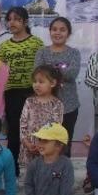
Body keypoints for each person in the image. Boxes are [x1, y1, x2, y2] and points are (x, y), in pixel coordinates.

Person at [0, 7, 44, 175]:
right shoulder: (3, 47)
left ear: (25, 21)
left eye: (16, 19)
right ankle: (13, 170)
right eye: (9, 19)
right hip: (11, 94)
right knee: (14, 133)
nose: (12, 23)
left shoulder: (36, 43)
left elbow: (42, 70)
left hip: (32, 93)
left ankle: (36, 169)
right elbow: (0, 73)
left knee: (35, 130)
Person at [24, 123, 81, 195]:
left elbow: (67, 187)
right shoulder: (34, 164)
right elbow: (28, 184)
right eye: (39, 140)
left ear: (58, 146)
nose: (40, 144)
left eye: (45, 141)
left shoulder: (66, 164)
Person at [34, 17, 81, 149]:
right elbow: (38, 75)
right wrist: (60, 69)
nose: (58, 33)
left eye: (62, 30)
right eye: (54, 29)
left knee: (64, 144)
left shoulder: (74, 53)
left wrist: (49, 70)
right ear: (49, 32)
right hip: (45, 106)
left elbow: (72, 74)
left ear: (68, 33)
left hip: (69, 106)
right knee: (45, 143)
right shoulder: (41, 52)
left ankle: (63, 169)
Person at [19, 64, 65, 173]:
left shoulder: (57, 104)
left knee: (46, 175)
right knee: (31, 176)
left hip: (48, 149)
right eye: (35, 81)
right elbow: (23, 124)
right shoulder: (29, 102)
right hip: (30, 147)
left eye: (41, 82)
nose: (36, 85)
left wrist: (43, 145)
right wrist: (26, 143)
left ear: (53, 83)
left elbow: (56, 129)